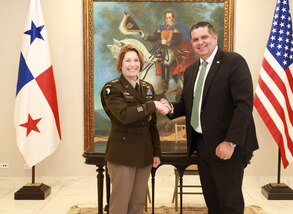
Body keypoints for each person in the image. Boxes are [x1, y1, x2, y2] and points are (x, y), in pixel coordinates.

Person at [163, 21, 259, 213]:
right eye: (195, 39)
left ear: (215, 38)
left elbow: (244, 105)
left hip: (226, 147)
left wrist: (230, 142)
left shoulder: (233, 62)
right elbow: (188, 105)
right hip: (202, 146)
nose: (200, 42)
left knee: (229, 204)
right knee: (213, 203)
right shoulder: (191, 71)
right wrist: (169, 108)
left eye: (204, 37)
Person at [100, 44, 169, 214]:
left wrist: (156, 152)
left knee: (138, 204)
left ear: (141, 63)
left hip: (144, 153)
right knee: (120, 205)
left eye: (136, 60)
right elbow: (124, 115)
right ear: (120, 64)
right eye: (128, 60)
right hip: (122, 154)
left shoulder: (147, 88)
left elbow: (152, 124)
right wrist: (151, 105)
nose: (133, 64)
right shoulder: (112, 88)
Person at [144, 11, 194, 93]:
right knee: (150, 59)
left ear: (173, 18)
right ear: (164, 18)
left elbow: (177, 40)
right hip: (160, 49)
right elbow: (155, 38)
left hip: (171, 49)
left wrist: (169, 42)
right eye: (166, 18)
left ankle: (165, 82)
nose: (168, 19)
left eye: (169, 17)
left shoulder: (176, 29)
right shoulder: (161, 28)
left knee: (166, 62)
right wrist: (147, 38)